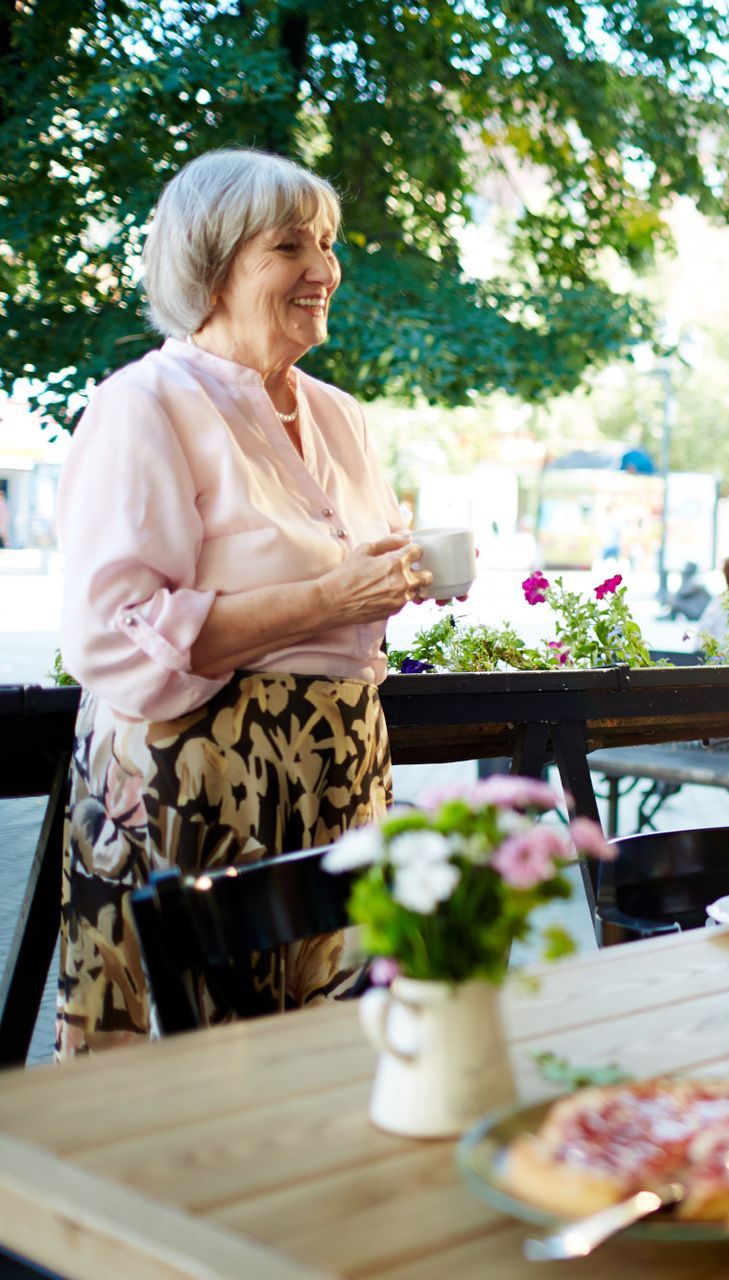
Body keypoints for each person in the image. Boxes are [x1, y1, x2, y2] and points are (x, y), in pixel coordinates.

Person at [55, 149, 432, 1057]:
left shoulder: (340, 414)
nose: (325, 268)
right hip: (197, 775)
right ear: (214, 266)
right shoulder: (143, 403)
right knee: (209, 1077)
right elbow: (111, 639)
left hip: (342, 763)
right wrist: (329, 595)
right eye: (290, 245)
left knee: (350, 1054)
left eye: (330, 243)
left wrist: (387, 580)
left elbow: (344, 585)